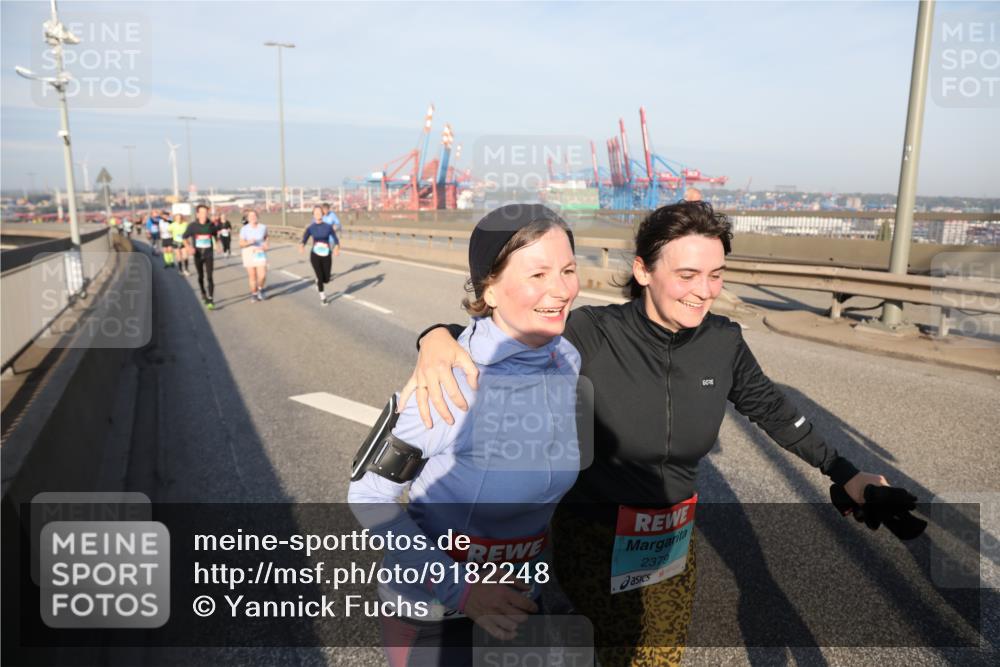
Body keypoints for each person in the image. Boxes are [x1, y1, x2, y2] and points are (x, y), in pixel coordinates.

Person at [406, 201, 899, 666]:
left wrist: (845, 472)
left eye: (715, 275)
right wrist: (436, 336)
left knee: (657, 657)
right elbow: (508, 330)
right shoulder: (590, 333)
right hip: (589, 538)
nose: (704, 290)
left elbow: (774, 411)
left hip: (669, 542)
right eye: (686, 275)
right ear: (643, 271)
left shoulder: (723, 342)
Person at [349, 204, 582, 667]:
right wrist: (463, 589)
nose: (561, 289)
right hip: (435, 611)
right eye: (538, 274)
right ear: (489, 289)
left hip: (518, 600)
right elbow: (367, 493)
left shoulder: (566, 359)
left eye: (569, 269)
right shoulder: (450, 380)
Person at [299, 205, 341, 304]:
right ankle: (323, 297)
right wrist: (301, 245)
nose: (318, 213)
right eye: (315, 212)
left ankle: (320, 280)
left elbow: (336, 240)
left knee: (326, 279)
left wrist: (336, 248)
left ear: (323, 214)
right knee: (320, 276)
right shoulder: (310, 228)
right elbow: (304, 239)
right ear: (313, 215)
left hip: (326, 254)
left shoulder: (328, 227)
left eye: (319, 212)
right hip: (315, 255)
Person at [183, 204, 221, 310]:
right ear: (197, 214)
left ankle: (210, 298)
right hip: (198, 255)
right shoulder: (192, 226)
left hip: (209, 254)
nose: (204, 215)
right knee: (201, 276)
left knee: (210, 277)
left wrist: (217, 246)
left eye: (206, 213)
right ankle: (203, 292)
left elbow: (215, 236)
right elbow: (184, 237)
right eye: (202, 213)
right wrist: (188, 247)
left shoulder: (211, 225)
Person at [239, 209, 269, 302]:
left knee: (262, 275)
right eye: (250, 216)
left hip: (259, 251)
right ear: (248, 218)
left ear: (257, 217)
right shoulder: (244, 229)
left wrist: (266, 244)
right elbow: (241, 243)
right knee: (252, 276)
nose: (253, 218)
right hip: (248, 251)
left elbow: (266, 237)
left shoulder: (263, 227)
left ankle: (260, 289)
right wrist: (248, 242)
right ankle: (254, 294)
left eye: (254, 216)